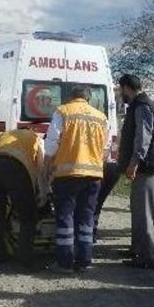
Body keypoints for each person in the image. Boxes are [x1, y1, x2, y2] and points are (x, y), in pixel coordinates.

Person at [44, 86, 108, 273]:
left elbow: (51, 144)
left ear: (71, 96)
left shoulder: (63, 111)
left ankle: (64, 263)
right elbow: (105, 148)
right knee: (86, 218)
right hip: (93, 176)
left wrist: (47, 166)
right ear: (88, 98)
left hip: (67, 175)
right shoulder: (101, 117)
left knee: (65, 217)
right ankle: (84, 261)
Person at [117, 74, 154, 269]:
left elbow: (142, 137)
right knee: (138, 210)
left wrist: (134, 162)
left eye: (121, 89)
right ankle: (137, 249)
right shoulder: (138, 105)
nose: (120, 93)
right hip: (143, 167)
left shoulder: (142, 106)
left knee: (146, 213)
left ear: (126, 88)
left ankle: (147, 257)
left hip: (147, 167)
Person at [0, 128, 49, 266]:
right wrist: (42, 195)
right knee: (28, 216)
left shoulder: (5, 135)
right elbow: (41, 170)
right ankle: (24, 259)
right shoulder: (36, 139)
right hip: (15, 168)